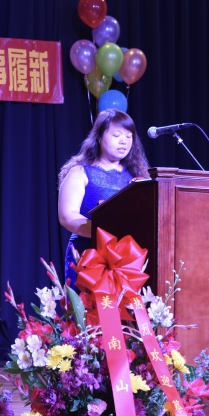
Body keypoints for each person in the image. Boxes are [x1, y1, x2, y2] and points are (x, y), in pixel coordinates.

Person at [58, 109, 151, 287]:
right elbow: (67, 216)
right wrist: (105, 233)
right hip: (88, 255)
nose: (124, 141)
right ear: (99, 137)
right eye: (116, 135)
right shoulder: (80, 172)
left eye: (129, 136)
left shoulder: (137, 176)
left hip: (127, 258)